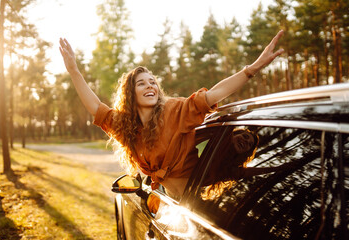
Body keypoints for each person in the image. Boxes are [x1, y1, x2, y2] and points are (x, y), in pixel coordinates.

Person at [59, 30, 285, 199]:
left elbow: (215, 93)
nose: (150, 86)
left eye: (153, 82)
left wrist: (253, 68)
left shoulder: (176, 110)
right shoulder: (126, 126)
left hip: (196, 204)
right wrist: (74, 71)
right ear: (130, 94)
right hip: (173, 206)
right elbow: (96, 107)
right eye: (141, 84)